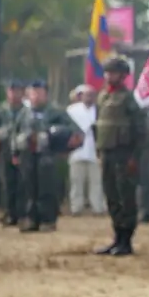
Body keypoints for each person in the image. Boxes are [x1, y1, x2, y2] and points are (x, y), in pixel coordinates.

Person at [94, 58, 149, 256]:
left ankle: (126, 239)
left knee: (126, 196)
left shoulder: (129, 100)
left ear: (123, 76)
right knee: (112, 196)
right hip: (107, 153)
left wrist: (135, 157)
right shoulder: (102, 97)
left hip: (124, 154)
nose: (110, 76)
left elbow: (141, 131)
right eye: (108, 72)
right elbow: (98, 127)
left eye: (114, 72)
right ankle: (117, 236)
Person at [13, 79, 77, 232]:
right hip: (28, 155)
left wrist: (54, 134)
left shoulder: (56, 111)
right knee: (29, 188)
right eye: (33, 93)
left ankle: (48, 220)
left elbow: (72, 131)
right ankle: (31, 219)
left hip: (48, 155)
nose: (35, 96)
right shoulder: (24, 113)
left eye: (39, 93)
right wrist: (15, 153)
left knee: (47, 189)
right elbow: (16, 132)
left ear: (46, 95)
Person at [67, 85, 106, 216]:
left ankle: (97, 208)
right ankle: (76, 208)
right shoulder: (72, 110)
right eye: (86, 95)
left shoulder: (99, 110)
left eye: (91, 95)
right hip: (76, 152)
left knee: (96, 182)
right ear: (81, 96)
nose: (89, 97)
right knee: (76, 182)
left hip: (94, 151)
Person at [0, 79, 27, 226]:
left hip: (22, 150)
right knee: (7, 183)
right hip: (4, 149)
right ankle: (9, 214)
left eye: (18, 91)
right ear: (7, 92)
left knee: (22, 183)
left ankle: (21, 214)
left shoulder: (26, 110)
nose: (15, 94)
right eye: (12, 90)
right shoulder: (0, 110)